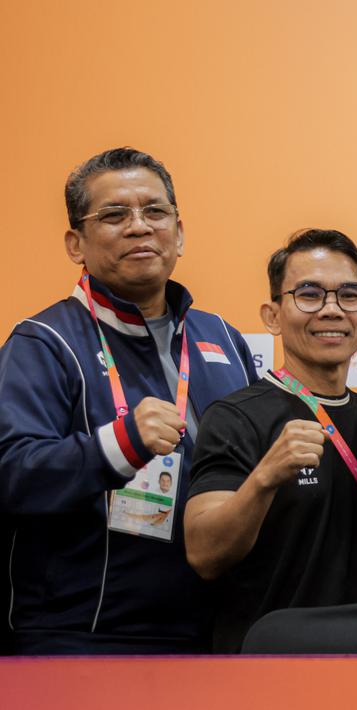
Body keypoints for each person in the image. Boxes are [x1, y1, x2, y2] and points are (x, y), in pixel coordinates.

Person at [0, 147, 256, 654]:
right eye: (115, 215)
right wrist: (118, 445)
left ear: (179, 233)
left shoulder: (223, 338)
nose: (140, 227)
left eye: (155, 211)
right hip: (81, 637)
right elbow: (12, 471)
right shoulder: (44, 343)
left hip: (218, 632)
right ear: (76, 243)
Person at [184, 229, 357, 652]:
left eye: (349, 295)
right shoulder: (235, 417)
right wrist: (265, 477)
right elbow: (204, 554)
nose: (331, 310)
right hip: (269, 658)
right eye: (309, 295)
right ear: (272, 315)